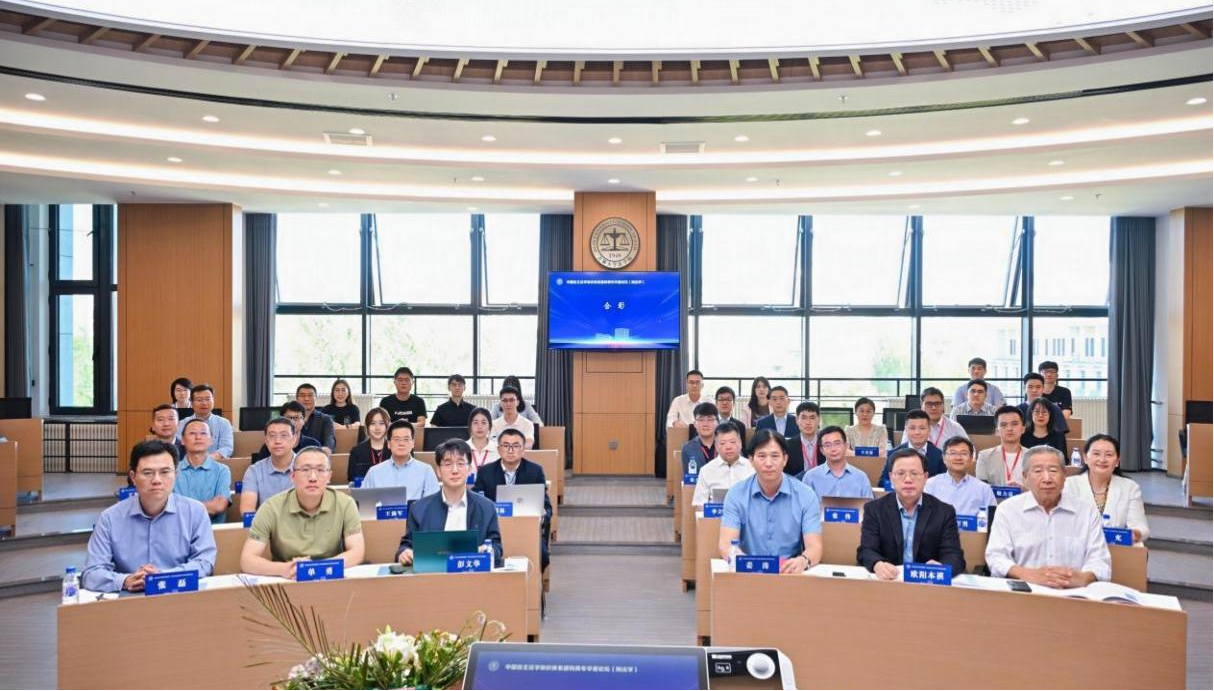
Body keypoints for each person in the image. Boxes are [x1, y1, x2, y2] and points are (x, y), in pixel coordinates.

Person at [82, 441, 216, 593]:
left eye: (165, 472)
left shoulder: (195, 512)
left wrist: (163, 577)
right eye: (147, 473)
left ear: (176, 474)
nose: (157, 480)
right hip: (129, 598)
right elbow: (91, 573)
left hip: (178, 595)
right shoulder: (110, 518)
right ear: (133, 477)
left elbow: (204, 562)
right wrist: (125, 580)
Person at [985, 446, 1111, 586]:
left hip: (1073, 592)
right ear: (1025, 477)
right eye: (1038, 471)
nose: (1047, 479)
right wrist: (1027, 574)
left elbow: (1100, 561)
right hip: (1024, 591)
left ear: (1064, 476)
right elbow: (996, 557)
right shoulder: (1007, 510)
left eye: (1053, 471)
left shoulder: (1086, 512)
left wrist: (1083, 578)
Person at [239, 447, 365, 578]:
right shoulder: (271, 508)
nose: (313, 478)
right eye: (305, 470)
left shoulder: (345, 504)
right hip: (288, 579)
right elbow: (247, 560)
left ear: (329, 476)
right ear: (292, 476)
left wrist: (318, 568)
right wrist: (284, 569)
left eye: (320, 470)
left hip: (331, 576)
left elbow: (357, 551)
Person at [718, 430, 822, 574]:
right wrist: (744, 562)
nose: (768, 463)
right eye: (761, 456)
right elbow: (726, 544)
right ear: (751, 460)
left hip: (789, 573)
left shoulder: (806, 495)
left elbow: (815, 547)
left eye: (775, 456)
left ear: (785, 459)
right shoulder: (736, 495)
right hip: (749, 572)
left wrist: (803, 560)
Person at [858, 447, 965, 580]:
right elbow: (867, 550)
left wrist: (942, 566)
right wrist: (877, 564)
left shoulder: (944, 512)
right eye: (901, 473)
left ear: (925, 477)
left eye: (914, 473)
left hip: (927, 583)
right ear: (891, 477)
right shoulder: (874, 509)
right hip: (889, 582)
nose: (908, 479)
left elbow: (954, 556)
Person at [397, 439, 502, 567]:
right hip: (432, 574)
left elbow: (497, 546)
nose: (455, 470)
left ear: (470, 469)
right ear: (438, 471)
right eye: (448, 464)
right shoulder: (419, 508)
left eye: (461, 463)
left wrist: (488, 550)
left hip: (473, 573)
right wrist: (404, 553)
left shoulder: (487, 507)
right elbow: (406, 546)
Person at [472, 429, 552, 569]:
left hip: (526, 530)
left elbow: (546, 506)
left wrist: (542, 515)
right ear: (499, 449)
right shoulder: (485, 472)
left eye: (515, 446)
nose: (510, 450)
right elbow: (476, 503)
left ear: (523, 450)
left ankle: (534, 582)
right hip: (494, 531)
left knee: (543, 555)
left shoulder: (535, 471)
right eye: (506, 445)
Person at [1064, 434, 1149, 542]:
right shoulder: (1069, 485)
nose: (1102, 459)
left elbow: (1141, 527)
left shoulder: (1130, 487)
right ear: (1085, 458)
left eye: (1109, 455)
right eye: (1096, 454)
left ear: (1117, 461)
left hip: (1116, 548)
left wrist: (1129, 536)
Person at [361, 420, 440, 499]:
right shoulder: (374, 472)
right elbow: (364, 502)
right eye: (397, 439)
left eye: (406, 439)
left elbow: (433, 503)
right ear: (388, 444)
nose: (401, 444)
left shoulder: (426, 471)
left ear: (413, 443)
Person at [173, 418, 232, 523]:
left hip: (212, 530)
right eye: (192, 433)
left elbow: (219, 506)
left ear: (211, 440)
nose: (198, 437)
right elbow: (166, 508)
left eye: (203, 433)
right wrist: (209, 505)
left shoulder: (222, 471)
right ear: (182, 440)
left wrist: (182, 508)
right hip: (178, 529)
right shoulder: (171, 470)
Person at [924, 436, 997, 519]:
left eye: (963, 453)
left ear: (971, 459)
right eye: (953, 453)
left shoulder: (984, 489)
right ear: (944, 458)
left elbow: (992, 520)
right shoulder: (930, 485)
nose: (958, 458)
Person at [240, 417, 301, 513]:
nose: (277, 441)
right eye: (272, 436)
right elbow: (247, 509)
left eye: (284, 435)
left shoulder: (307, 467)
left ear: (294, 439)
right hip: (265, 522)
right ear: (266, 440)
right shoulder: (254, 471)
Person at [800, 426, 874, 499]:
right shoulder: (810, 477)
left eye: (837, 443)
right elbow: (804, 505)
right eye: (827, 445)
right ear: (822, 450)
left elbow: (869, 506)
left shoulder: (861, 477)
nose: (833, 449)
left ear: (846, 446)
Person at [691, 423, 754, 506]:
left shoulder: (753, 467)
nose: (728, 447)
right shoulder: (706, 470)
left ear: (740, 443)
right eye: (723, 443)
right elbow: (699, 505)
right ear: (716, 446)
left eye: (732, 442)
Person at [881, 410, 945, 488]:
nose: (917, 432)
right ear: (906, 430)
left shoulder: (940, 456)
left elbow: (943, 484)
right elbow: (883, 483)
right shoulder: (893, 454)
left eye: (922, 428)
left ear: (929, 430)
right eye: (912, 428)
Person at [251, 401, 321, 462]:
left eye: (296, 418)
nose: (292, 422)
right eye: (288, 418)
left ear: (303, 420)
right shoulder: (271, 446)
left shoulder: (313, 445)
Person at [975, 406, 1028, 487]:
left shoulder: (1033, 456)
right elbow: (981, 489)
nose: (1009, 428)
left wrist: (1023, 490)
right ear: (997, 431)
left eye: (1014, 424)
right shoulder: (985, 456)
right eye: (1003, 425)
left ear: (1023, 429)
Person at [177, 384, 234, 459]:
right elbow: (178, 447)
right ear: (192, 403)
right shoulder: (182, 423)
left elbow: (226, 448)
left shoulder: (224, 423)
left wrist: (208, 458)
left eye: (208, 399)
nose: (204, 403)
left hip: (215, 462)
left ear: (213, 401)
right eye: (199, 400)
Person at [901, 387, 967, 450]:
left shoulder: (955, 427)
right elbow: (903, 450)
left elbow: (969, 450)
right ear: (921, 406)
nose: (933, 408)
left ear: (943, 406)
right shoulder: (913, 426)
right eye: (929, 404)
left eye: (937, 403)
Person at [348, 407, 391, 481]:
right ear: (367, 426)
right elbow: (351, 478)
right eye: (373, 424)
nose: (377, 428)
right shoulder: (356, 451)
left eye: (381, 423)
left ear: (387, 426)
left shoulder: (394, 449)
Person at [295, 383, 336, 452]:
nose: (306, 399)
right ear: (297, 398)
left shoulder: (326, 419)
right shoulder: (290, 418)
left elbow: (330, 438)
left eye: (310, 395)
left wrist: (327, 449)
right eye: (302, 395)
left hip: (317, 455)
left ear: (316, 398)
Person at [681, 403, 719, 476]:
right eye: (701, 420)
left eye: (710, 419)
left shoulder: (726, 444)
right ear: (694, 424)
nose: (705, 424)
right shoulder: (687, 448)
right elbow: (688, 477)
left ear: (717, 423)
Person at [784, 401, 819, 476]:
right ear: (797, 420)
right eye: (804, 418)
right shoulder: (787, 446)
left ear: (819, 420)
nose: (808, 422)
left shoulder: (826, 443)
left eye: (812, 418)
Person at [466, 407, 500, 476]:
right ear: (470, 426)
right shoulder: (462, 448)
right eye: (475, 423)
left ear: (489, 426)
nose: (479, 427)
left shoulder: (498, 449)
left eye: (484, 423)